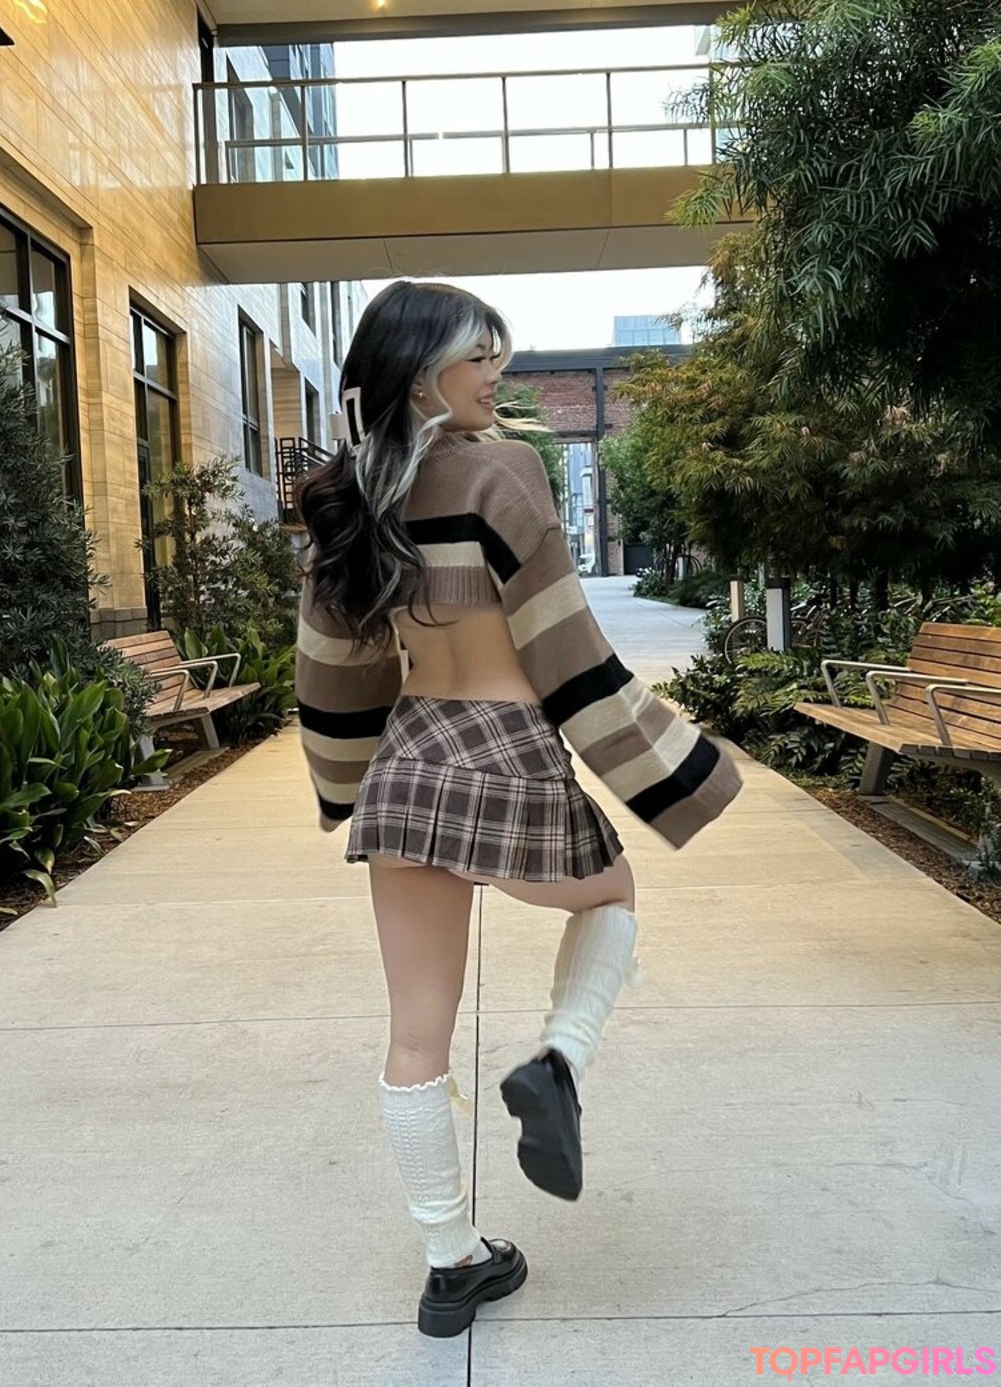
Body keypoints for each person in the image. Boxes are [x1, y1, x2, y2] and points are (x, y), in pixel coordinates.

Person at [293, 280, 742, 1338]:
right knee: (613, 893)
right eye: (477, 356)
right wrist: (668, 763)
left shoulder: (349, 499)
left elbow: (335, 669)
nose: (496, 374)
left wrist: (341, 783)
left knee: (415, 1033)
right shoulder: (507, 472)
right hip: (505, 754)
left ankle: (450, 1263)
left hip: (410, 762)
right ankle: (557, 1062)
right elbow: (564, 644)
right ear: (421, 376)